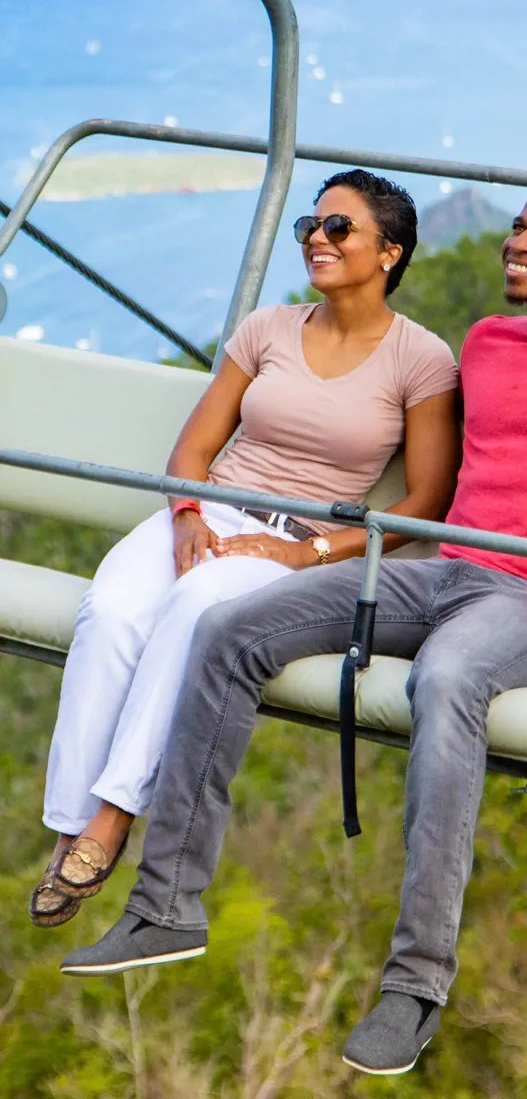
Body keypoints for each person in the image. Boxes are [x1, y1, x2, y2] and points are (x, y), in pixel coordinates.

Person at [63, 182, 527, 1077]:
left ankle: (416, 982)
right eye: (517, 227)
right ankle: (167, 907)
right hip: (438, 573)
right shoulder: (487, 344)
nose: (520, 243)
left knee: (449, 679)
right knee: (229, 630)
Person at [31, 169, 460, 929]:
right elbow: (195, 445)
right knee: (113, 610)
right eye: (309, 226)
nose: (315, 241)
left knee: (194, 610)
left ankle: (113, 814)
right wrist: (189, 513)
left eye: (338, 229)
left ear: (389, 253)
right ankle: (68, 820)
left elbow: (425, 504)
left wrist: (308, 553)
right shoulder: (266, 328)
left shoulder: (419, 360)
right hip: (212, 510)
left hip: (295, 537)